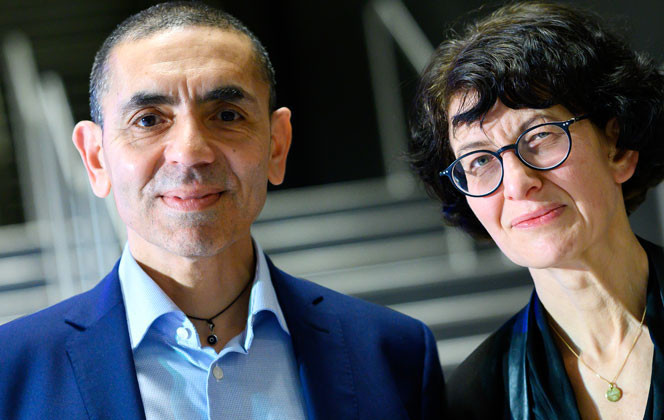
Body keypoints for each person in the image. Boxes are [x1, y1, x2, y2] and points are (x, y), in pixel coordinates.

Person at [0, 2, 445, 419]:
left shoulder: (395, 355)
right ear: (96, 159)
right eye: (149, 119)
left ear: (277, 145)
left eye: (227, 115)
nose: (190, 152)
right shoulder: (11, 373)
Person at [408, 1, 664, 419]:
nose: (517, 183)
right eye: (479, 160)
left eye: (540, 135)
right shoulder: (476, 399)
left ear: (617, 147)